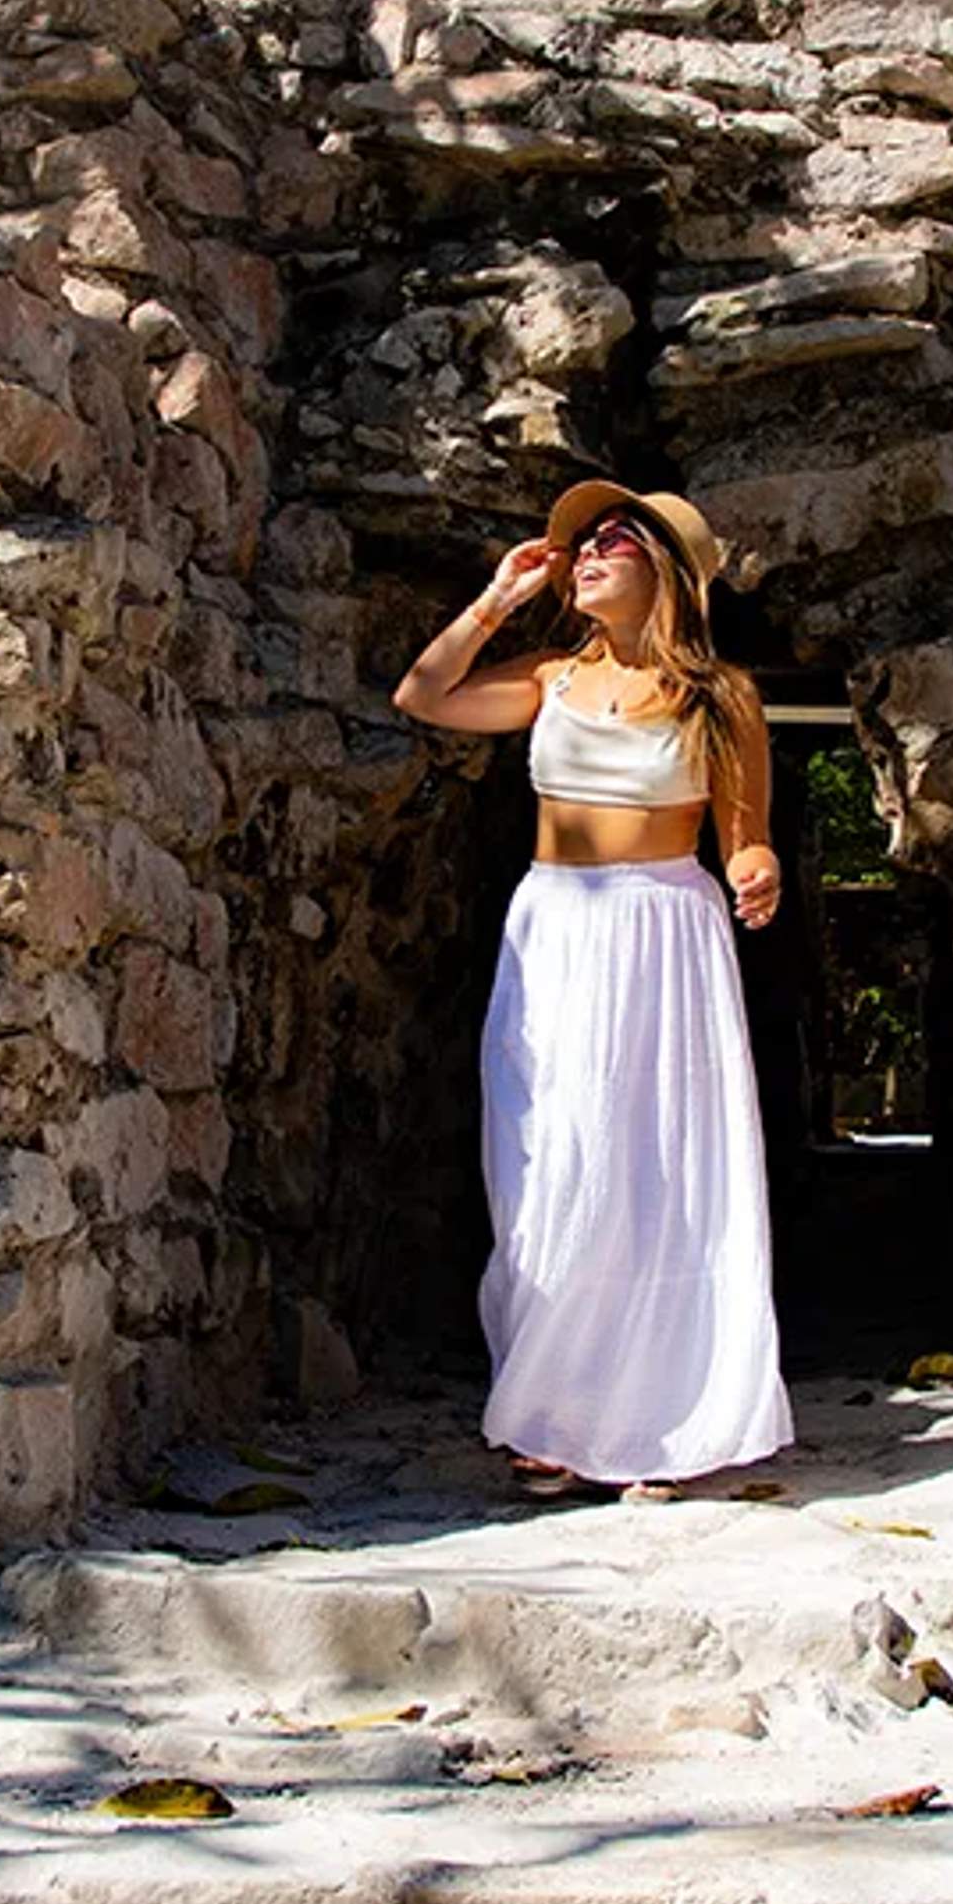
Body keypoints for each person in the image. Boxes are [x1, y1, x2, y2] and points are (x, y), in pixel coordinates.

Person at [391, 480, 795, 1498]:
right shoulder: (551, 675)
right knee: (548, 1163)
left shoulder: (722, 695)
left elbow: (746, 839)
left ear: (665, 568)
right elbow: (425, 696)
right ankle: (556, 1408)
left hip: (666, 929)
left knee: (655, 1169)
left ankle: (657, 1425)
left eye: (615, 537)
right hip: (556, 930)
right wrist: (496, 599)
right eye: (583, 543)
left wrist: (758, 872)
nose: (588, 551)